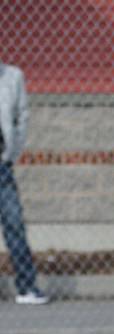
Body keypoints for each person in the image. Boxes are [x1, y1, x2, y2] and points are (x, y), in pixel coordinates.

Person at [0, 60, 48, 304]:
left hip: (1, 165)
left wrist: (12, 153)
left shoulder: (12, 76)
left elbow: (22, 115)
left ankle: (26, 287)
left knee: (14, 222)